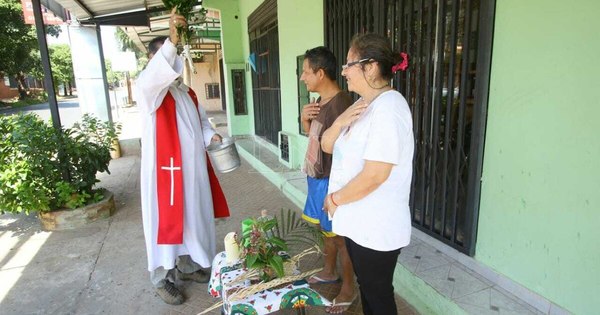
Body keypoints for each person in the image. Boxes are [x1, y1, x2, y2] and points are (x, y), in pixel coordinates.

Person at [135, 10, 229, 305]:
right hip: (166, 177)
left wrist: (210, 136)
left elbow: (200, 123)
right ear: (157, 63)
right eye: (168, 59)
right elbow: (154, 77)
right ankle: (162, 278)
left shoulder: (186, 92)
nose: (174, 66)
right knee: (166, 223)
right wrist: (173, 39)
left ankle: (187, 267)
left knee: (191, 220)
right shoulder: (150, 92)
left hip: (191, 173)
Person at [321, 33, 413, 315]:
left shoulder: (389, 108)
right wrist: (338, 122)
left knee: (378, 295)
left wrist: (335, 199)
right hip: (361, 223)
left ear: (370, 66)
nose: (344, 71)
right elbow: (326, 144)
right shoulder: (362, 105)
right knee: (370, 291)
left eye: (349, 64)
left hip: (377, 226)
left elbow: (376, 174)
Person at [298, 46, 354, 314]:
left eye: (306, 71)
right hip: (317, 178)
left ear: (320, 73)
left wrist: (338, 191)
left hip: (333, 181)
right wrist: (305, 121)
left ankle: (349, 289)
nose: (302, 77)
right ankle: (330, 272)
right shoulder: (320, 102)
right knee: (326, 231)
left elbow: (345, 151)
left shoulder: (341, 103)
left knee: (341, 236)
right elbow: (317, 140)